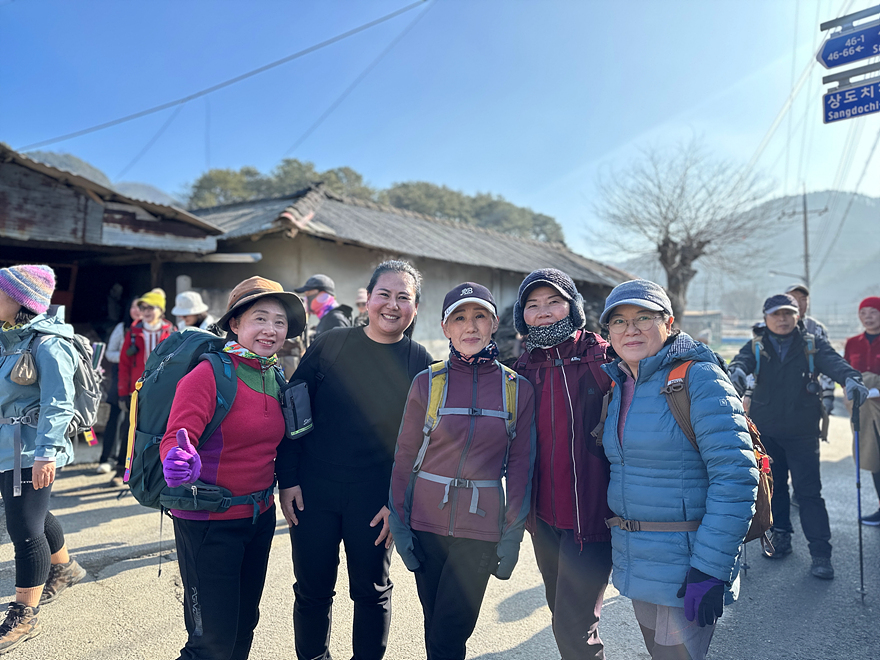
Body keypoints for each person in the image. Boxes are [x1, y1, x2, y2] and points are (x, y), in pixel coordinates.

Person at [276, 260, 432, 660]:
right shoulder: (332, 344)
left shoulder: (419, 361)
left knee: (372, 592)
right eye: (384, 294)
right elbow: (294, 411)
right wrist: (288, 479)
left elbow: (424, 444)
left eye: (403, 297)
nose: (392, 305)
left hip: (375, 498)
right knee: (312, 590)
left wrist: (398, 503)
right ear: (368, 299)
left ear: (415, 307)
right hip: (313, 492)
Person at [598, 279, 758, 660]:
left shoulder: (698, 379)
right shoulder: (621, 383)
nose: (630, 329)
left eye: (644, 317)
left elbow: (735, 477)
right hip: (641, 565)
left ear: (668, 323)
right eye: (619, 321)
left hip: (688, 568)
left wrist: (710, 568)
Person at [159, 276, 306, 660]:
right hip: (209, 521)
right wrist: (177, 461)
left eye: (279, 321)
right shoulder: (208, 374)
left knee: (243, 626)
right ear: (235, 324)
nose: (271, 329)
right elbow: (176, 436)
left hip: (258, 518)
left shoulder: (273, 374)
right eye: (260, 318)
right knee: (210, 642)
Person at [389, 282, 536, 660]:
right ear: (445, 327)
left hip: (480, 529)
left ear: (494, 323)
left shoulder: (516, 389)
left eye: (479, 316)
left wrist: (512, 536)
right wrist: (399, 523)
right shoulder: (427, 382)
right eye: (459, 318)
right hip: (425, 525)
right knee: (435, 626)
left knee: (450, 632)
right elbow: (404, 456)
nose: (470, 326)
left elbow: (521, 467)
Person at [511, 268, 614, 660]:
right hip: (544, 520)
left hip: (592, 517)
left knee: (574, 628)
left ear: (573, 307)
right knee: (563, 615)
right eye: (533, 305)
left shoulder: (604, 358)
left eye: (554, 301)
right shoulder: (523, 370)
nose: (543, 311)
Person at [728, 293, 867, 579]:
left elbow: (835, 363)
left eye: (788, 314)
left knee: (809, 493)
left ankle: (821, 553)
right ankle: (781, 536)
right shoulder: (756, 345)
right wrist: (736, 372)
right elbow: (740, 362)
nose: (782, 319)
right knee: (774, 488)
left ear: (797, 317)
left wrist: (851, 379)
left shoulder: (812, 345)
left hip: (802, 432)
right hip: (767, 433)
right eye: (776, 314)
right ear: (766, 318)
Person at [0, 265, 87, 653]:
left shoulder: (50, 344)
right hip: (7, 446)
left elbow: (59, 404)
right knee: (29, 513)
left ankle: (25, 614)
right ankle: (65, 568)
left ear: (20, 301)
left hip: (31, 449)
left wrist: (45, 454)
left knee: (24, 529)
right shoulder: (8, 338)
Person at [114, 288, 174, 486]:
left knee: (161, 430)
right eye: (143, 308)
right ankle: (122, 471)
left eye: (151, 307)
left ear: (161, 310)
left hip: (163, 391)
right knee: (130, 430)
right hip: (137, 391)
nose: (146, 311)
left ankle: (157, 474)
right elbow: (124, 364)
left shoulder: (171, 332)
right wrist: (122, 392)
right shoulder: (133, 332)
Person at [844, 296, 880, 526]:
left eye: (873, 312)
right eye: (863, 313)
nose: (868, 317)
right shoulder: (852, 343)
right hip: (864, 410)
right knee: (874, 457)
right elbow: (844, 372)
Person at [96, 297, 140, 474]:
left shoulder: (154, 331)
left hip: (140, 378)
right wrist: (125, 358)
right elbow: (109, 353)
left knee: (133, 421)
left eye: (142, 307)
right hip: (121, 375)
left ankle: (126, 461)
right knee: (115, 417)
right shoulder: (122, 328)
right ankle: (107, 458)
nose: (138, 310)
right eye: (134, 307)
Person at [786, 283, 835, 413]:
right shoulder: (769, 326)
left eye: (803, 299)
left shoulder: (816, 329)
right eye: (794, 298)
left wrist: (828, 393)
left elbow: (826, 362)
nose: (799, 303)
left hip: (807, 391)